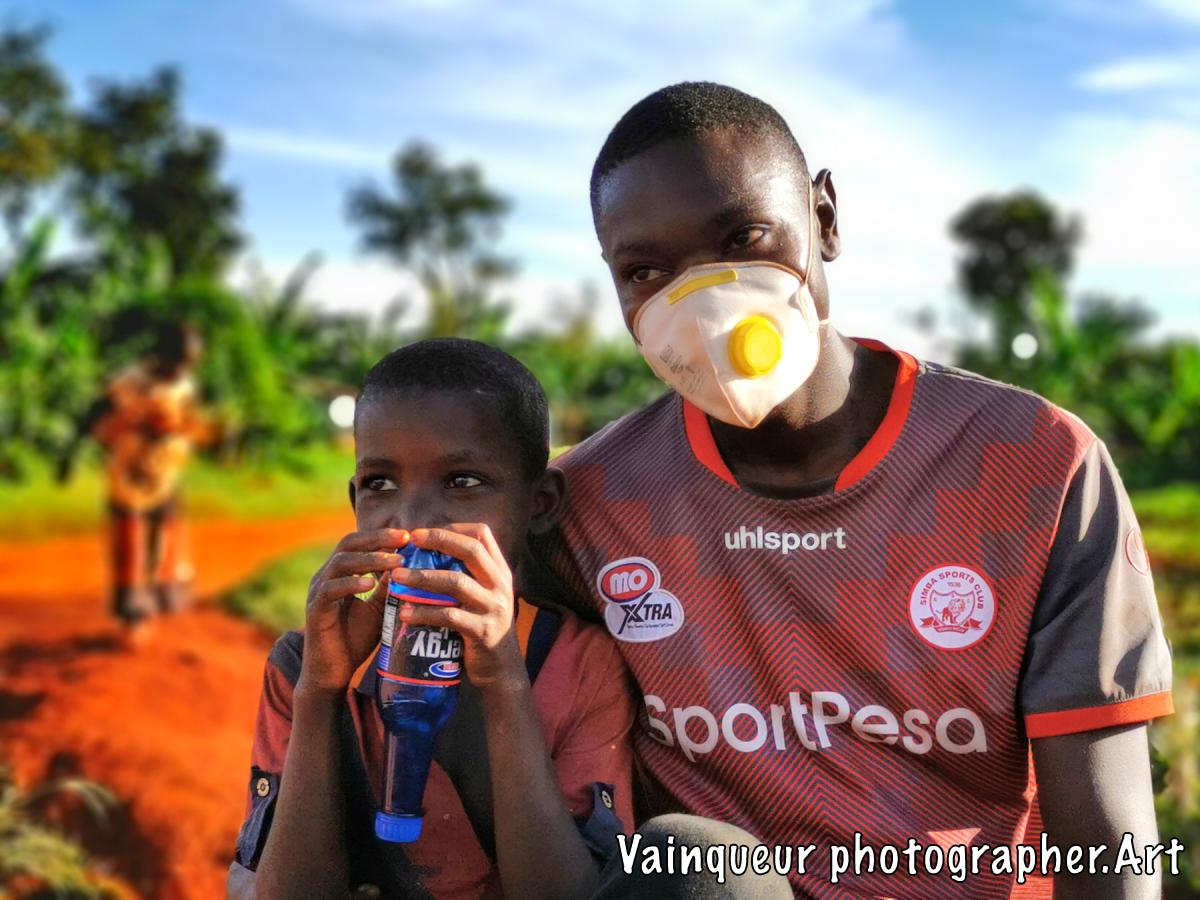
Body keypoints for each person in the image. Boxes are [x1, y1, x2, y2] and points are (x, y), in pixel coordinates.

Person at [533, 82, 1174, 897]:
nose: (702, 305)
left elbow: (1110, 850)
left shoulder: (1033, 469)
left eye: (744, 237)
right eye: (647, 271)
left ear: (825, 219)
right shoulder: (590, 503)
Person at [227, 338, 636, 899]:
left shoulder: (579, 663)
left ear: (539, 503)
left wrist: (505, 682)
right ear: (355, 500)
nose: (413, 520)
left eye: (463, 482)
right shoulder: (306, 664)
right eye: (380, 484)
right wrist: (320, 694)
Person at [58, 321, 207, 633]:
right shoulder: (130, 380)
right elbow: (94, 413)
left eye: (187, 364)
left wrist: (179, 431)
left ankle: (154, 598)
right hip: (128, 477)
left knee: (163, 541)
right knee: (129, 544)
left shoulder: (184, 386)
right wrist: (70, 454)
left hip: (164, 475)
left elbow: (186, 420)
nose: (181, 370)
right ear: (161, 356)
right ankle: (131, 615)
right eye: (177, 362)